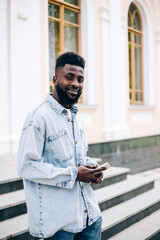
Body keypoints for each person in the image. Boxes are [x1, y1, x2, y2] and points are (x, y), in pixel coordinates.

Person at [17, 52, 105, 240]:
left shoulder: (77, 117)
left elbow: (78, 158)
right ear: (55, 79)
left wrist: (92, 169)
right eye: (69, 77)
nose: (76, 83)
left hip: (89, 217)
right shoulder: (38, 118)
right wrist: (74, 174)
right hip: (59, 225)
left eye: (80, 79)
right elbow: (27, 166)